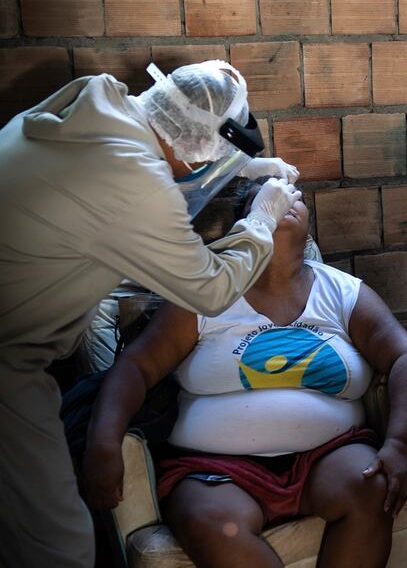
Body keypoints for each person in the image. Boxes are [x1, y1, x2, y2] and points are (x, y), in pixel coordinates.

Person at [0, 60, 301, 567]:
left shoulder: (100, 102)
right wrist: (261, 220)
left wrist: (234, 167)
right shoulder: (137, 182)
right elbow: (210, 288)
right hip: (8, 359)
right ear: (204, 144)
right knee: (58, 546)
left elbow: (135, 190)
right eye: (221, 152)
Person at [81, 181, 407, 568]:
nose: (282, 198)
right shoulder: (206, 295)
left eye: (295, 197)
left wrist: (398, 444)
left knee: (372, 488)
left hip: (329, 454)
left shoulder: (343, 292)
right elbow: (136, 366)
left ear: (309, 226)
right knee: (208, 522)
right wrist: (103, 441)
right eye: (263, 197)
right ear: (246, 222)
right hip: (215, 468)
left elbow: (406, 357)